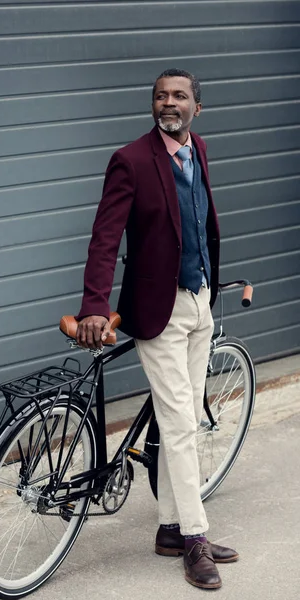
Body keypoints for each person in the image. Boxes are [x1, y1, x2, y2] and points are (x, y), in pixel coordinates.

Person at [75, 68, 239, 589]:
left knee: (185, 418)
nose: (169, 103)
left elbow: (201, 220)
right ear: (153, 105)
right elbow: (105, 237)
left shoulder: (199, 150)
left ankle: (170, 529)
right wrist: (94, 306)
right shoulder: (130, 160)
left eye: (179, 96)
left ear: (197, 108)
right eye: (161, 96)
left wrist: (209, 287)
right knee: (182, 424)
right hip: (158, 311)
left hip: (198, 301)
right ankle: (195, 537)